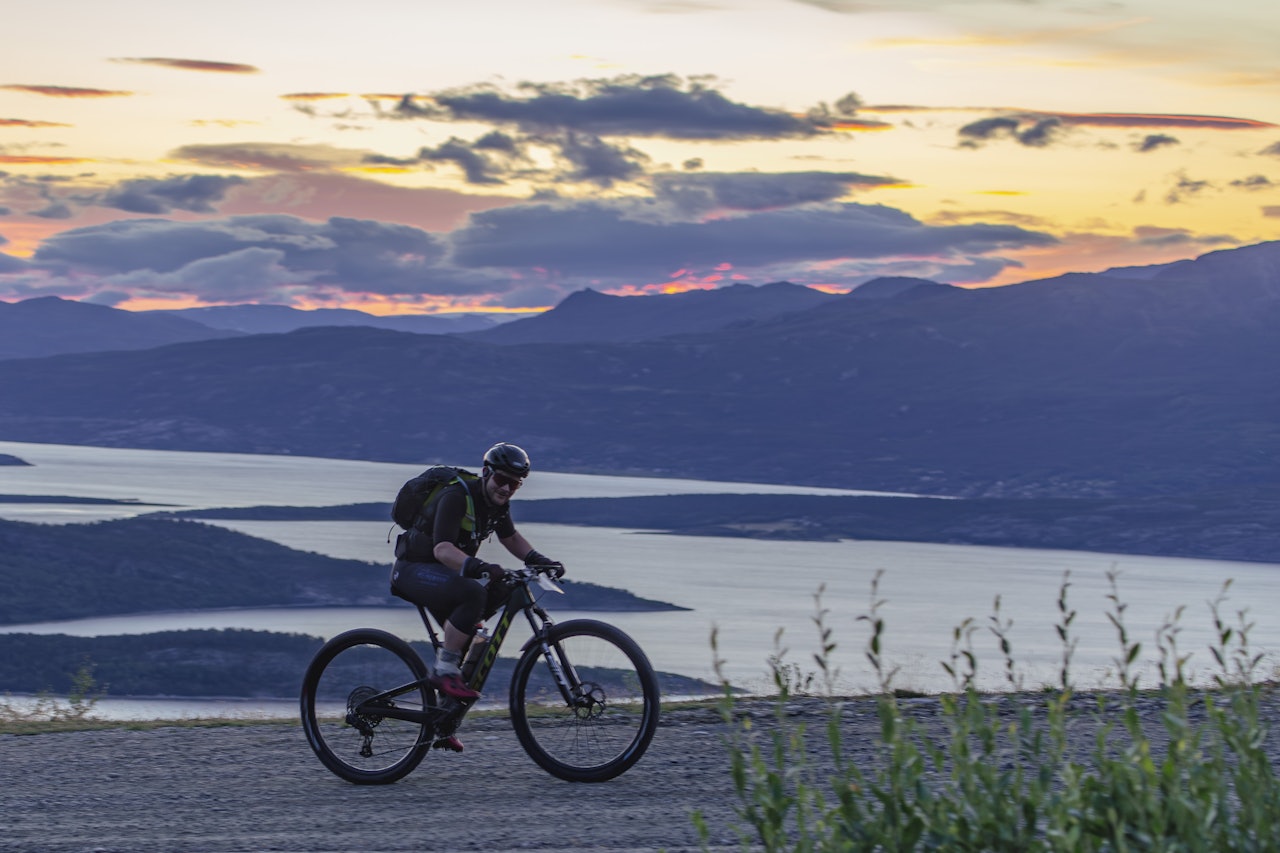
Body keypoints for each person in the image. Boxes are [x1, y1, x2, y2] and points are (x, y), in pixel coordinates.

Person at [389, 442, 564, 713]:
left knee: (497, 594)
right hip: (413, 569)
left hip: (444, 576)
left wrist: (539, 560)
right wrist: (480, 566)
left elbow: (510, 537)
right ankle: (444, 670)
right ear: (486, 473)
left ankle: (444, 717)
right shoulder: (456, 496)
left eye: (514, 484)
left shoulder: (497, 505)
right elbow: (442, 549)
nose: (506, 488)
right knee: (473, 592)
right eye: (502, 480)